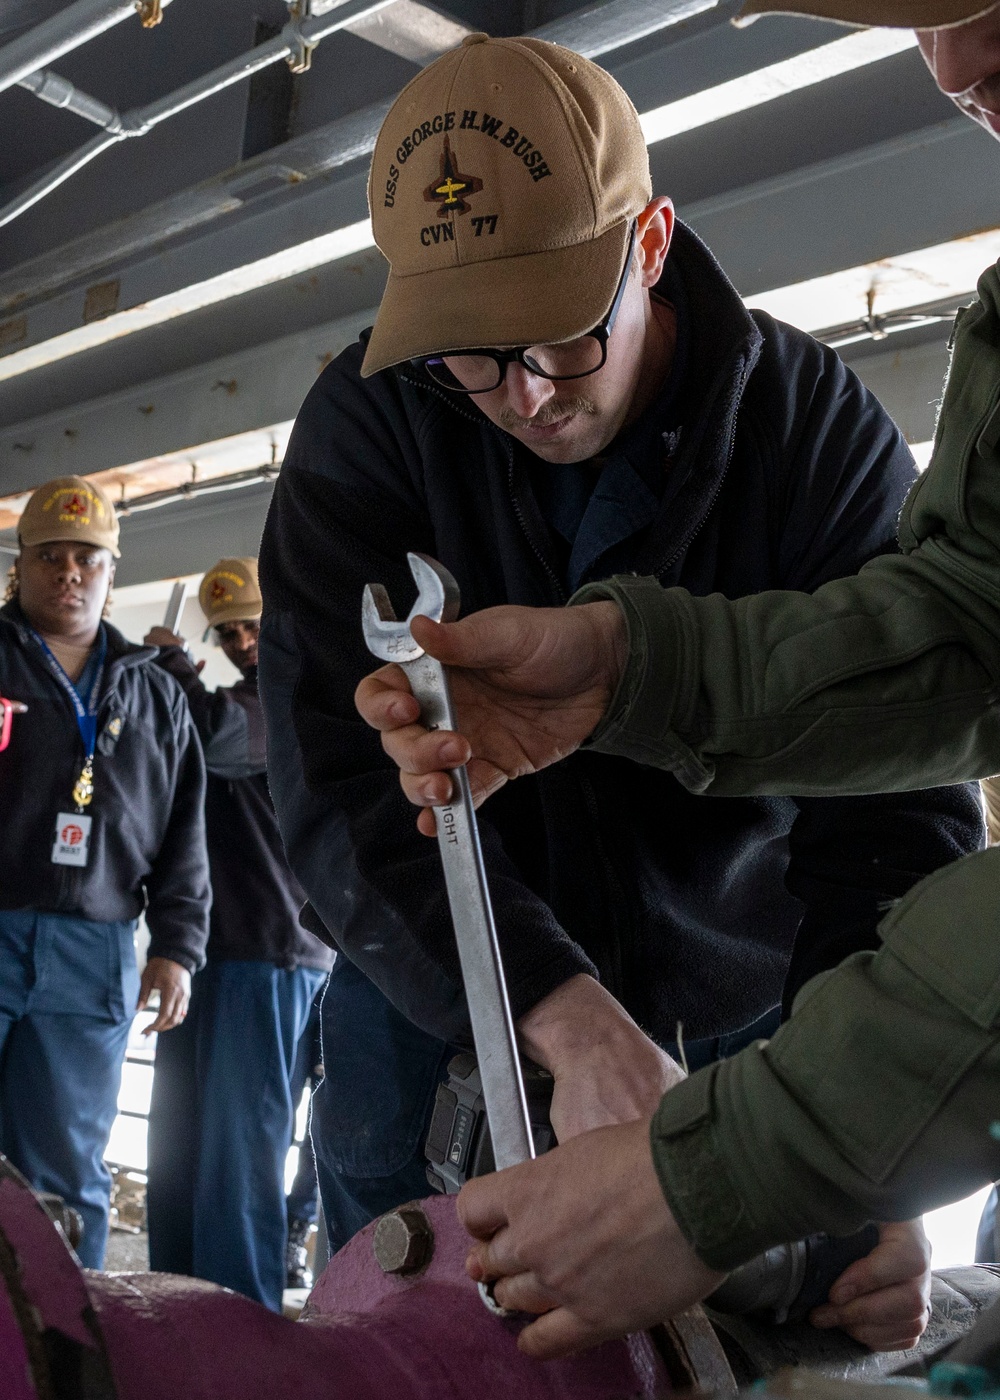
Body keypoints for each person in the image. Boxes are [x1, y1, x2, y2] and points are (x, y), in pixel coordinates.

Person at [259, 27, 980, 1340]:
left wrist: (879, 1151)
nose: (521, 397)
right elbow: (329, 783)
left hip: (750, 1027)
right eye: (468, 357)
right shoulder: (369, 430)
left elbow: (894, 805)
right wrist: (561, 1011)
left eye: (559, 342)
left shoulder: (814, 436)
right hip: (439, 1022)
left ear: (648, 247)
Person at [0, 475, 208, 1268]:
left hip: (94, 955)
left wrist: (178, 946)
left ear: (112, 570)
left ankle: (68, 1355)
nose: (70, 573)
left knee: (64, 1176)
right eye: (50, 556)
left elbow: (186, 830)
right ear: (23, 568)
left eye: (87, 558)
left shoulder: (155, 694)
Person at [143, 558, 332, 1313]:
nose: (242, 640)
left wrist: (174, 664)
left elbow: (222, 736)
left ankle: (238, 1330)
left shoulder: (284, 702)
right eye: (228, 632)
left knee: (238, 1156)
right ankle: (167, 1309)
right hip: (207, 954)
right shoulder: (228, 698)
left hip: (273, 956)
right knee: (179, 1148)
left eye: (251, 625)